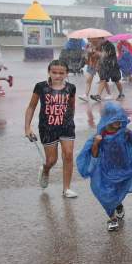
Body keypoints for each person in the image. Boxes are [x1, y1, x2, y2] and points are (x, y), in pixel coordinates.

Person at [77, 101, 132, 232]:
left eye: (120, 118)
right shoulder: (100, 135)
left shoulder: (124, 132)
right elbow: (94, 155)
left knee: (117, 190)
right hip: (105, 170)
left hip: (122, 168)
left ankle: (117, 204)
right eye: (116, 119)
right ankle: (112, 218)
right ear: (108, 118)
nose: (119, 122)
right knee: (104, 192)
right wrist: (96, 143)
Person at [24, 59, 77, 198]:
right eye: (54, 72)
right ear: (49, 72)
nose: (58, 76)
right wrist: (27, 128)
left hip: (66, 126)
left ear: (67, 74)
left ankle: (66, 189)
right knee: (51, 160)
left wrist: (69, 120)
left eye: (61, 73)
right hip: (47, 128)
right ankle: (46, 169)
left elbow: (72, 106)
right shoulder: (41, 87)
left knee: (68, 155)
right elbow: (31, 107)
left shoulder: (71, 88)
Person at [80, 36, 103, 101]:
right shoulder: (88, 44)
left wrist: (95, 51)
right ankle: (85, 95)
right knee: (88, 80)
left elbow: (103, 54)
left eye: (89, 38)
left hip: (100, 64)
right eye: (88, 38)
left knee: (103, 80)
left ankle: (103, 94)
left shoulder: (100, 44)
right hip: (91, 64)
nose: (88, 39)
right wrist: (87, 52)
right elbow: (85, 54)